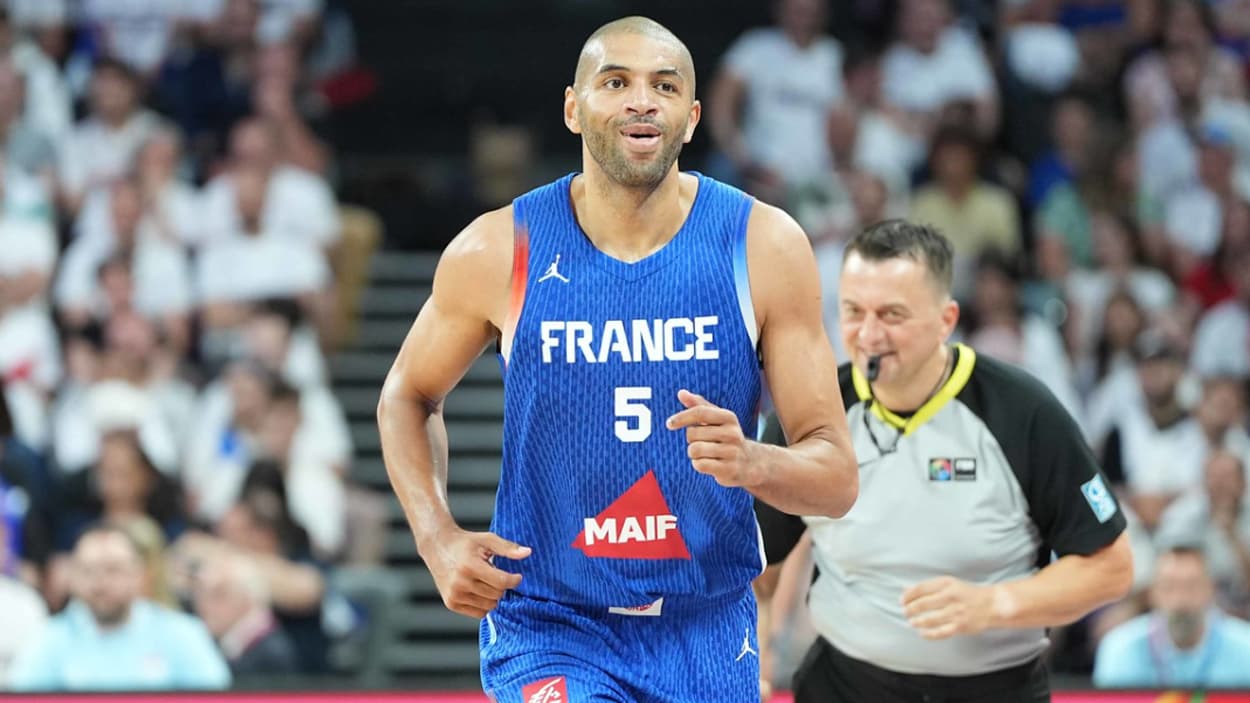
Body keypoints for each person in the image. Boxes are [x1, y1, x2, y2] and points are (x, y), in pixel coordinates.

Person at [376, 16, 858, 703]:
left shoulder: (764, 246)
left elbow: (836, 476)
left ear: (691, 120)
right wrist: (435, 534)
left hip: (707, 622)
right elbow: (405, 395)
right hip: (551, 621)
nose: (641, 100)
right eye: (616, 81)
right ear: (573, 108)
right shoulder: (496, 249)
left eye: (664, 86)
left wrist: (756, 461)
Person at [754, 219, 1134, 702]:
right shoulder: (809, 411)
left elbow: (1112, 566)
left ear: (946, 320)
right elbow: (756, 564)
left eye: (892, 314)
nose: (869, 334)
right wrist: (756, 652)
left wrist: (995, 603)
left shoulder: (1023, 411)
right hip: (846, 685)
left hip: (995, 688)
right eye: (853, 311)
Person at [9, 524, 230, 691]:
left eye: (113, 570)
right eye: (88, 571)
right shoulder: (49, 637)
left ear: (140, 575)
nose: (100, 583)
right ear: (73, 578)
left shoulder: (182, 633)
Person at [1094, 545, 1250, 689]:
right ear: (1152, 593)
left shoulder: (1245, 648)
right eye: (1169, 587)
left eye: (1192, 587)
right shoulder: (1120, 650)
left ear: (1211, 590)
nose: (1180, 600)